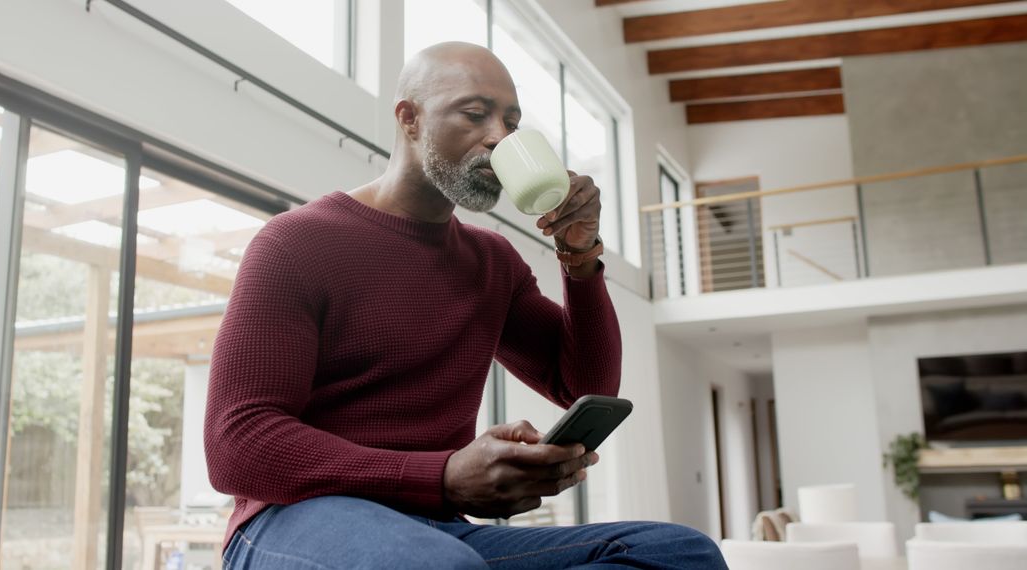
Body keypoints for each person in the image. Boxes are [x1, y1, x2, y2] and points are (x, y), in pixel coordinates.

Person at [205, 41, 726, 569]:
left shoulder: (491, 262)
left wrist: (579, 254)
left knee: (679, 552)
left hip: (439, 528)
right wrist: (445, 475)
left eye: (512, 123)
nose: (500, 138)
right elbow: (236, 444)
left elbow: (585, 387)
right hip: (293, 517)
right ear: (409, 119)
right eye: (475, 114)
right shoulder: (297, 242)